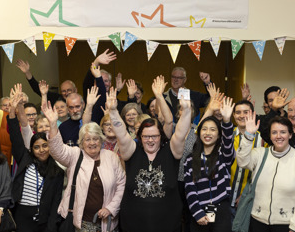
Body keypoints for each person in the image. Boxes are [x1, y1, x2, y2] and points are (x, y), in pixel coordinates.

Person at [107, 86, 192, 232]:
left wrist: (186, 111)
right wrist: (113, 111)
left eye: (155, 136)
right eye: (146, 136)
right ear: (139, 137)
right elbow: (121, 133)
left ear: (161, 137)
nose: (150, 140)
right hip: (133, 225)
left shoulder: (171, 152)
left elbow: (180, 132)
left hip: (168, 226)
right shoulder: (131, 152)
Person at [44, 102, 126, 232]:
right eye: (87, 139)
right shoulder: (75, 154)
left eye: (96, 139)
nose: (92, 143)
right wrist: (53, 124)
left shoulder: (111, 157)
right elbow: (57, 150)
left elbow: (121, 185)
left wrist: (110, 208)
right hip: (82, 224)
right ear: (81, 142)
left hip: (109, 224)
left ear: (101, 140)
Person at [237, 114, 295, 232]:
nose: (278, 136)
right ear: (270, 136)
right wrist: (248, 136)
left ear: (290, 135)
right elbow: (242, 161)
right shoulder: (260, 154)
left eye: (283, 132)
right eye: (274, 132)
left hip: (286, 225)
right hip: (257, 222)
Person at [7, 91, 64, 232]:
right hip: (22, 215)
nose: (41, 150)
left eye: (45, 146)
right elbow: (15, 135)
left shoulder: (57, 171)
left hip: (44, 218)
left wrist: (51, 228)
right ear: (31, 149)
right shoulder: (25, 160)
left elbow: (56, 202)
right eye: (37, 147)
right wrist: (13, 111)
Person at [184, 97, 236, 231]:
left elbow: (228, 143)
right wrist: (197, 212)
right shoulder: (190, 159)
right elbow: (189, 188)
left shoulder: (223, 155)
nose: (208, 133)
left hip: (221, 210)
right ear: (199, 133)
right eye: (204, 129)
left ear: (219, 135)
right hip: (199, 211)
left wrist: (226, 121)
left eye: (213, 130)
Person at [228, 100, 268, 219]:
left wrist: (247, 193)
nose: (241, 115)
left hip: (250, 200)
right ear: (233, 115)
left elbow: (263, 171)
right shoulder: (226, 135)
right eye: (238, 112)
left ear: (252, 114)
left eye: (246, 112)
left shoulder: (262, 139)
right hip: (225, 197)